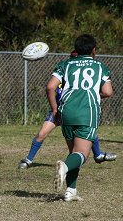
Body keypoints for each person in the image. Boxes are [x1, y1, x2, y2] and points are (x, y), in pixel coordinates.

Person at [18, 53, 117, 169]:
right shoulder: (66, 72)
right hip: (59, 110)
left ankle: (97, 155)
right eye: (73, 57)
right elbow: (51, 87)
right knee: (42, 133)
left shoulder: (75, 74)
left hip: (73, 110)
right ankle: (28, 160)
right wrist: (55, 108)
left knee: (89, 133)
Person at [47, 34, 113, 201]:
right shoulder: (100, 66)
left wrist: (55, 109)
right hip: (87, 112)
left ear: (76, 49)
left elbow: (50, 87)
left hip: (66, 111)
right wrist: (92, 94)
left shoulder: (65, 64)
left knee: (74, 152)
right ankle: (64, 167)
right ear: (94, 51)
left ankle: (71, 191)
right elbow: (107, 92)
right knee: (83, 153)